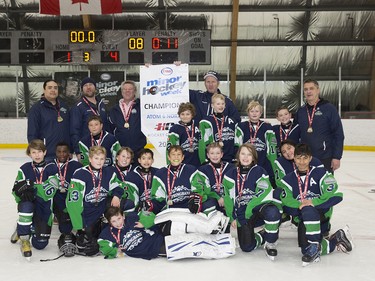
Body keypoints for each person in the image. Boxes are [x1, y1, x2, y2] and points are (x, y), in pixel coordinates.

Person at [279, 143, 352, 266]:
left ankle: (314, 246)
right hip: (302, 215)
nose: (302, 161)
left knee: (308, 210)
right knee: (304, 249)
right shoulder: (287, 179)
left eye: (305, 158)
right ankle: (336, 239)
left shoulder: (322, 173)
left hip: (321, 212)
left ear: (310, 158)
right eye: (298, 158)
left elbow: (332, 192)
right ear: (294, 159)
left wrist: (313, 202)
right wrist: (301, 205)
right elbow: (286, 200)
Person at [222, 143, 281, 260]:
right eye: (243, 154)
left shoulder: (260, 171)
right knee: (247, 247)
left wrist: (249, 209)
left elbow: (263, 193)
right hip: (242, 212)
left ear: (253, 157)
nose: (245, 157)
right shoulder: (230, 175)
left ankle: (271, 241)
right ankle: (263, 234)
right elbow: (228, 199)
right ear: (238, 156)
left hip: (257, 208)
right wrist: (232, 217)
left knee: (272, 211)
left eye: (249, 154)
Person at [66, 146, 124, 256]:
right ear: (90, 158)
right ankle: (77, 233)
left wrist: (116, 195)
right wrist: (79, 226)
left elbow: (119, 186)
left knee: (125, 203)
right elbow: (73, 203)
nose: (99, 161)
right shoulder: (80, 174)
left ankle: (119, 231)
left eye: (102, 159)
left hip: (101, 209)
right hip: (87, 212)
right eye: (96, 158)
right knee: (87, 241)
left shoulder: (108, 172)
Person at [11, 139, 59, 259]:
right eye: (33, 152)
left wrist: (30, 187)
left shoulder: (52, 168)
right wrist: (20, 193)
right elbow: (15, 191)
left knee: (40, 245)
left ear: (45, 152)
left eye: (39, 152)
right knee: (25, 205)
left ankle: (22, 227)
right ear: (29, 154)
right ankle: (24, 238)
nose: (37, 155)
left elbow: (49, 192)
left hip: (44, 207)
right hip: (29, 204)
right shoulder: (24, 169)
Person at [293, 79, 344, 173]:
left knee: (324, 186)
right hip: (304, 159)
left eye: (311, 88)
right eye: (305, 89)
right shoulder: (301, 111)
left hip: (325, 157)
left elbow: (338, 134)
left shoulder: (329, 108)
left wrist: (337, 156)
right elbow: (294, 133)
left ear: (318, 90)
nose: (308, 91)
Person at [235, 100, 277, 185]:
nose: (254, 113)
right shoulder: (241, 126)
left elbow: (272, 147)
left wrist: (273, 163)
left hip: (263, 161)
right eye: (252, 111)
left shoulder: (267, 127)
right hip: (246, 162)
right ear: (248, 112)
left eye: (257, 111)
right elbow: (237, 145)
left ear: (261, 113)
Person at [98, 206, 165, 260]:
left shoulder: (132, 217)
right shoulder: (107, 233)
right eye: (114, 221)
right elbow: (102, 244)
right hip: (146, 253)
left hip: (157, 242)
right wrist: (116, 251)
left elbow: (149, 214)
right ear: (109, 222)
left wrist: (144, 223)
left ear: (123, 216)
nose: (118, 223)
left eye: (119, 218)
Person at [27, 79, 70, 162]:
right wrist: (36, 153)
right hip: (47, 155)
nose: (53, 90)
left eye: (55, 88)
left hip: (64, 155)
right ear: (44, 90)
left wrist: (70, 150)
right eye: (50, 88)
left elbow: (69, 129)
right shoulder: (36, 109)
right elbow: (32, 133)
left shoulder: (64, 106)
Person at [52, 142, 82, 256]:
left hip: (72, 201)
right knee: (66, 227)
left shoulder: (76, 166)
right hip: (57, 202)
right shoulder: (50, 165)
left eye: (65, 151)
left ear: (70, 153)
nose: (62, 154)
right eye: (59, 151)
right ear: (55, 152)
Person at [150, 145, 198, 215]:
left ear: (182, 157)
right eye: (173, 154)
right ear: (169, 157)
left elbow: (198, 189)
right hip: (170, 210)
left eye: (179, 154)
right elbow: (158, 198)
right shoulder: (160, 174)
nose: (176, 157)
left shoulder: (192, 170)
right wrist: (152, 205)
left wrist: (195, 199)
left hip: (188, 209)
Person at [70, 77, 109, 160]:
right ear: (82, 89)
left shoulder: (102, 105)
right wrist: (78, 151)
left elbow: (107, 127)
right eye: (85, 85)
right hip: (86, 149)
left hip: (102, 149)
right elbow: (74, 130)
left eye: (91, 85)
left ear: (95, 87)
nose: (88, 87)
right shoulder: (78, 107)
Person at [191, 142, 235, 215]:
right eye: (212, 153)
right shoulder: (202, 170)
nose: (215, 156)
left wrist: (225, 198)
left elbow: (234, 187)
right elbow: (203, 190)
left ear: (222, 154)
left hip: (228, 199)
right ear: (208, 155)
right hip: (212, 200)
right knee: (208, 205)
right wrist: (217, 197)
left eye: (217, 153)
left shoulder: (231, 168)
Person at [109, 80, 147, 162]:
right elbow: (110, 130)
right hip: (120, 150)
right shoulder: (113, 110)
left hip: (138, 150)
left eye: (130, 89)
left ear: (135, 91)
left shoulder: (142, 106)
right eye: (125, 89)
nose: (127, 91)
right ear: (121, 91)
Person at [198, 93, 237, 163]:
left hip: (230, 160)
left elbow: (236, 142)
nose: (221, 106)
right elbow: (203, 143)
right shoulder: (206, 122)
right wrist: (204, 160)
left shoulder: (231, 121)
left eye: (222, 104)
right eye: (218, 104)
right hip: (214, 160)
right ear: (212, 105)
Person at [123, 148, 159, 213]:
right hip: (139, 209)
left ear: (153, 160)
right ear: (139, 160)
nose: (146, 161)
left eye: (149, 158)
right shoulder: (131, 176)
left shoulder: (158, 173)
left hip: (154, 207)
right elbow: (131, 198)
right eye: (143, 158)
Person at [166, 102, 201, 167]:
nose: (185, 116)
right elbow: (170, 149)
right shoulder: (175, 129)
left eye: (188, 114)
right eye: (182, 114)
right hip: (183, 163)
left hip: (198, 162)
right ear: (179, 115)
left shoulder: (198, 124)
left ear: (192, 115)